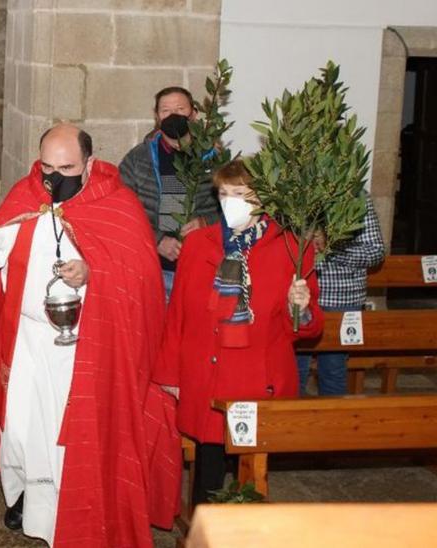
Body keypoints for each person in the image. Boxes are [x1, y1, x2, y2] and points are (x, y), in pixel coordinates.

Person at [0, 124, 180, 547]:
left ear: (89, 163)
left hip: (82, 348)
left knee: (62, 432)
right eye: (47, 167)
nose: (55, 177)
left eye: (67, 167)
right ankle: (23, 498)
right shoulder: (27, 195)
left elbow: (136, 279)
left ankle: (60, 513)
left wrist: (92, 274)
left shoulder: (118, 205)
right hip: (26, 339)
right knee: (20, 427)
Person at [157, 159, 324, 506]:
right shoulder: (199, 244)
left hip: (255, 374)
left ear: (263, 199)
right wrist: (170, 373)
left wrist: (301, 306)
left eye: (241, 194)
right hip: (206, 370)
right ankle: (202, 533)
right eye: (224, 193)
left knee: (251, 470)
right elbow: (178, 315)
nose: (230, 201)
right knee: (208, 464)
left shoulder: (292, 249)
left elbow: (307, 328)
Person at [119, 86, 221, 295]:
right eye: (165, 110)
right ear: (157, 116)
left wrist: (206, 222)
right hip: (154, 271)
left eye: (180, 108)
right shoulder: (138, 158)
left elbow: (235, 208)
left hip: (203, 269)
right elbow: (122, 209)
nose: (173, 115)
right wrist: (157, 240)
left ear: (193, 114)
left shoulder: (215, 158)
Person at [296, 200, 384, 395]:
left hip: (342, 298)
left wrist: (333, 248)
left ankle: (334, 423)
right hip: (299, 295)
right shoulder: (295, 191)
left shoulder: (357, 198)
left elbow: (375, 252)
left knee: (333, 370)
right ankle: (293, 424)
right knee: (294, 370)